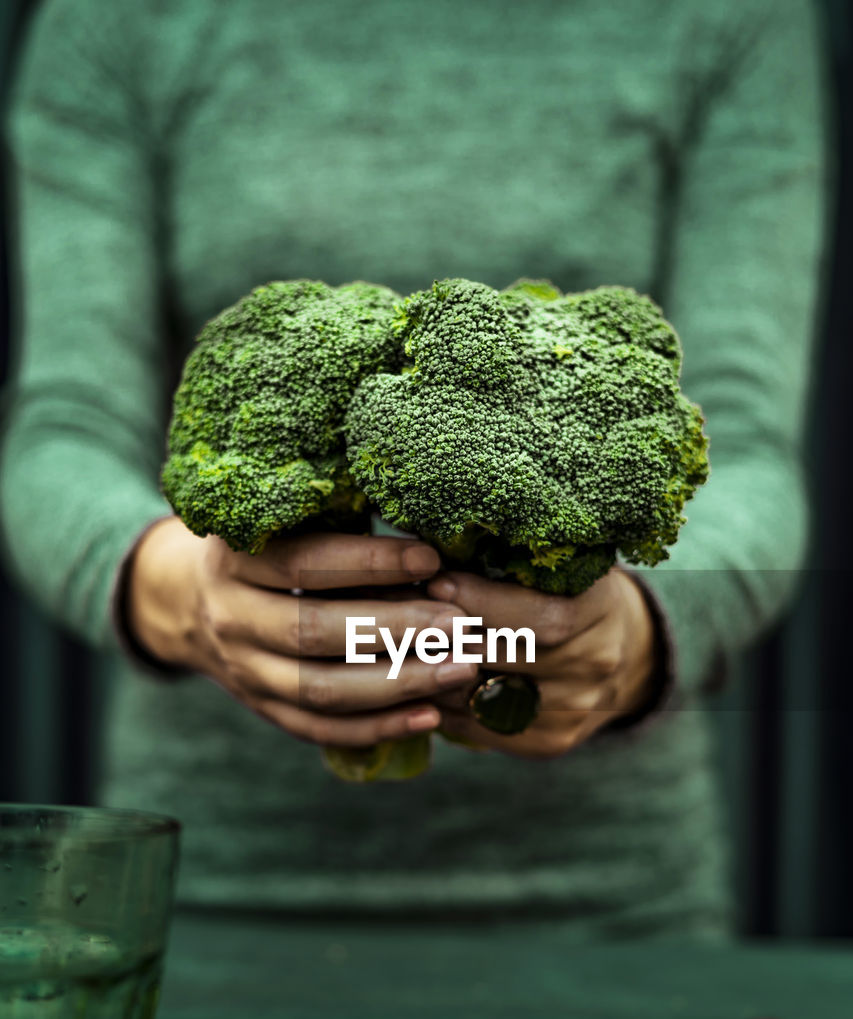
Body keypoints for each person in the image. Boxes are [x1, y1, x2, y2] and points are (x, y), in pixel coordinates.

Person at [0, 0, 829, 937]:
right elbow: (62, 431)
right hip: (212, 892)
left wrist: (638, 636)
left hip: (611, 908)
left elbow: (748, 450)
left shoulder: (734, 17)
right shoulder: (114, 20)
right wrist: (181, 595)